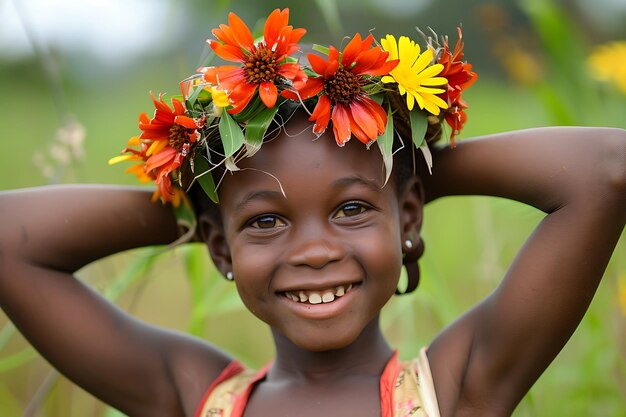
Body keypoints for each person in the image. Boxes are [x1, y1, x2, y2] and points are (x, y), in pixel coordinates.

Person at [1, 8, 625, 417]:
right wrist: (203, 202)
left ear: (408, 220)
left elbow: (607, 169)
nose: (313, 251)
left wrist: (409, 167)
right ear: (220, 249)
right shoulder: (197, 399)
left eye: (351, 209)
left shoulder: (452, 393)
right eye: (267, 221)